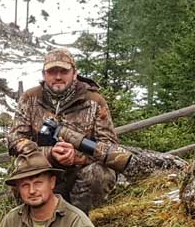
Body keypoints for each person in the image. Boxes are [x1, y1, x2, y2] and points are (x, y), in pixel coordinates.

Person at [7, 49, 125, 212]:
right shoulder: (30, 98)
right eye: (52, 71)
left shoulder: (94, 101)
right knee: (20, 168)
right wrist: (49, 153)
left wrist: (77, 157)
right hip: (43, 168)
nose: (58, 76)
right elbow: (15, 139)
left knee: (101, 173)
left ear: (75, 73)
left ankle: (81, 219)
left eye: (64, 71)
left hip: (79, 171)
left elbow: (109, 146)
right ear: (43, 74)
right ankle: (31, 221)